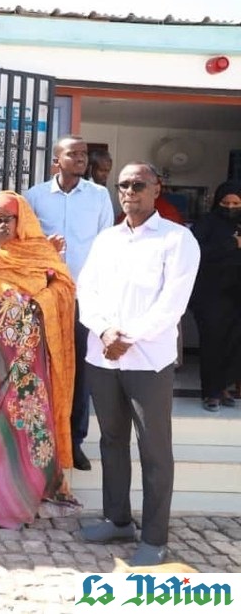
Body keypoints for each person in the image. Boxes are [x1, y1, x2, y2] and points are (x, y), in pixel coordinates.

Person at [78, 162, 200, 567]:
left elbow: (173, 304)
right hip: (103, 357)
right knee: (112, 441)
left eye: (138, 184)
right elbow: (87, 291)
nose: (129, 190)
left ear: (156, 188)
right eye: (123, 185)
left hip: (148, 362)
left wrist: (127, 337)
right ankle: (116, 519)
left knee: (154, 450)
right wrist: (106, 332)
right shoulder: (107, 240)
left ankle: (154, 539)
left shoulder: (177, 240)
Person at [0, 191, 79, 528]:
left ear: (20, 219)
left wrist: (38, 299)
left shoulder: (41, 251)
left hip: (29, 361)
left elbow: (64, 290)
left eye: (6, 219)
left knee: (27, 419)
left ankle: (27, 491)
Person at [25, 135, 114, 472]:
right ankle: (43, 438)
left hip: (83, 299)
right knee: (43, 369)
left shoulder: (98, 196)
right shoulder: (34, 196)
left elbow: (107, 245)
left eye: (83, 154)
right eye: (72, 153)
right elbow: (26, 243)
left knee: (78, 372)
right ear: (56, 160)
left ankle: (74, 441)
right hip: (45, 297)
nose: (80, 159)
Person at [187, 181, 241, 412]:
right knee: (212, 343)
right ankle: (211, 392)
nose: (230, 207)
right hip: (210, 297)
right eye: (225, 203)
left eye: (236, 203)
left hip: (236, 296)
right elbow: (195, 253)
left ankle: (225, 388)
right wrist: (231, 244)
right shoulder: (206, 224)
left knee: (233, 344)